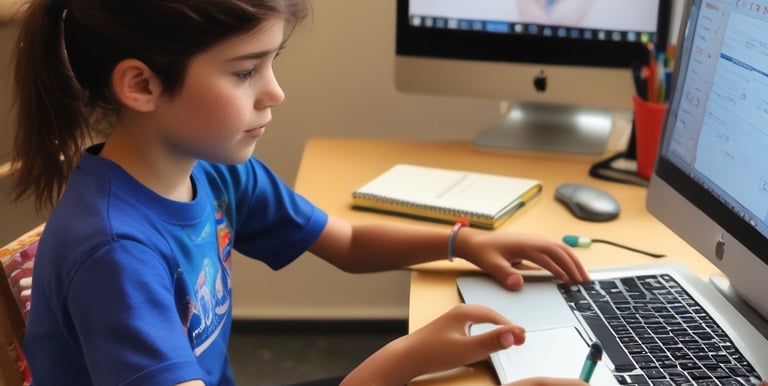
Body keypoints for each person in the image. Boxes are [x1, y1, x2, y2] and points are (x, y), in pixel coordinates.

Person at [9, 1, 594, 385]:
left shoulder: (213, 171)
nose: (275, 93)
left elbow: (347, 241)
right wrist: (405, 360)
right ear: (141, 84)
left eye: (272, 64)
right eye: (245, 72)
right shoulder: (116, 253)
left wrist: (461, 242)